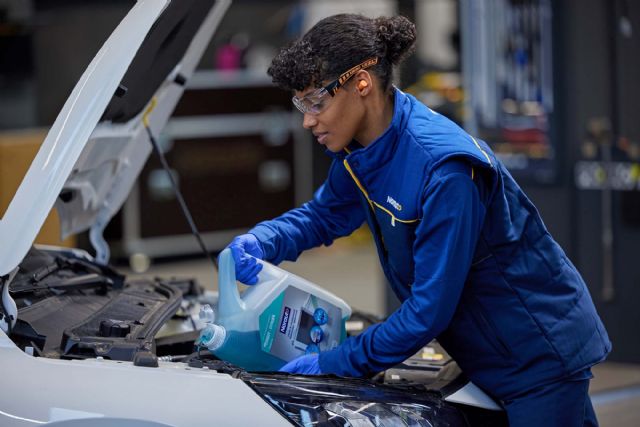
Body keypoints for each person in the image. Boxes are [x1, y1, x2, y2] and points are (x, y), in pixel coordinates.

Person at [227, 14, 610, 426]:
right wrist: (264, 239)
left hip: (538, 358)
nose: (307, 120)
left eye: (316, 102)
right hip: (486, 349)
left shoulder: (443, 170)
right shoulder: (360, 149)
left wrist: (333, 361)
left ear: (361, 85)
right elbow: (324, 215)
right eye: (300, 104)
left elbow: (427, 312)